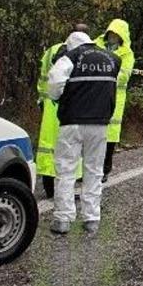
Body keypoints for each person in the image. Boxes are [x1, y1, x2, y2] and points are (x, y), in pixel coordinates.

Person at [46, 31, 120, 234]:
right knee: (94, 171)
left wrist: (57, 97)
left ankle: (63, 219)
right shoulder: (112, 59)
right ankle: (92, 218)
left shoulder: (70, 57)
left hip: (72, 122)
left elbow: (54, 81)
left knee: (65, 170)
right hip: (100, 123)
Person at [36, 23, 88, 198]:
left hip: (50, 106)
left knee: (49, 148)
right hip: (70, 106)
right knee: (70, 147)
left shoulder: (52, 50)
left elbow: (44, 77)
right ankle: (65, 191)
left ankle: (50, 188)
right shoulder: (83, 55)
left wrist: (42, 99)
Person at [94, 19, 135, 184]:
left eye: (117, 35)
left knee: (109, 139)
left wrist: (105, 77)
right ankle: (86, 170)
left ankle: (104, 169)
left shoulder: (126, 53)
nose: (113, 37)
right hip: (95, 96)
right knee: (92, 135)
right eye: (111, 34)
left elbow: (124, 75)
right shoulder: (96, 45)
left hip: (114, 98)